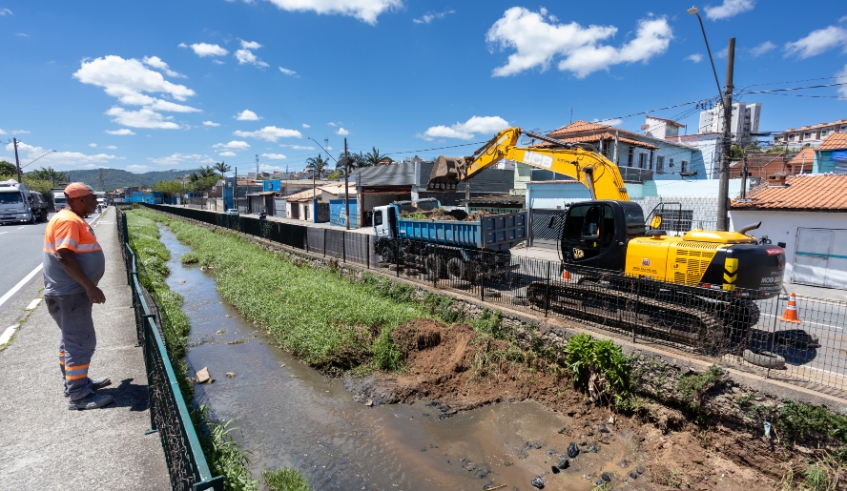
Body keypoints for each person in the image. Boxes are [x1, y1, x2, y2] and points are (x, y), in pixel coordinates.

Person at [42, 183, 114, 410]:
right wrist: (90, 287)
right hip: (70, 293)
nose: (96, 202)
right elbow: (65, 256)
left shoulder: (69, 218)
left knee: (70, 339)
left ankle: (75, 382)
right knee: (81, 341)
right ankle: (79, 394)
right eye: (92, 198)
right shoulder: (68, 221)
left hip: (67, 292)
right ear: (80, 200)